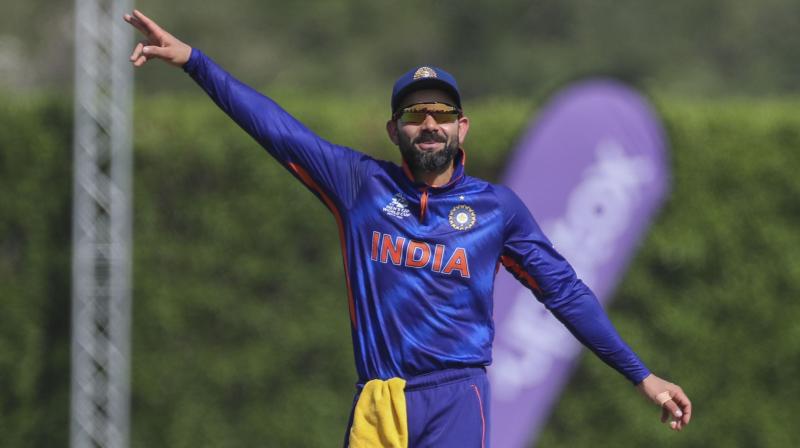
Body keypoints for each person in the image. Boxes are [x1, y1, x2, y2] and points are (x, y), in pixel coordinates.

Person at [124, 10, 692, 447]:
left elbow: (565, 292)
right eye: (414, 114)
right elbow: (278, 129)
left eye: (441, 114)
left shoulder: (498, 210)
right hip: (380, 399)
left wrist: (642, 376)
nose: (428, 124)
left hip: (456, 396)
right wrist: (195, 61)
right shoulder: (359, 184)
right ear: (393, 129)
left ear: (462, 128)